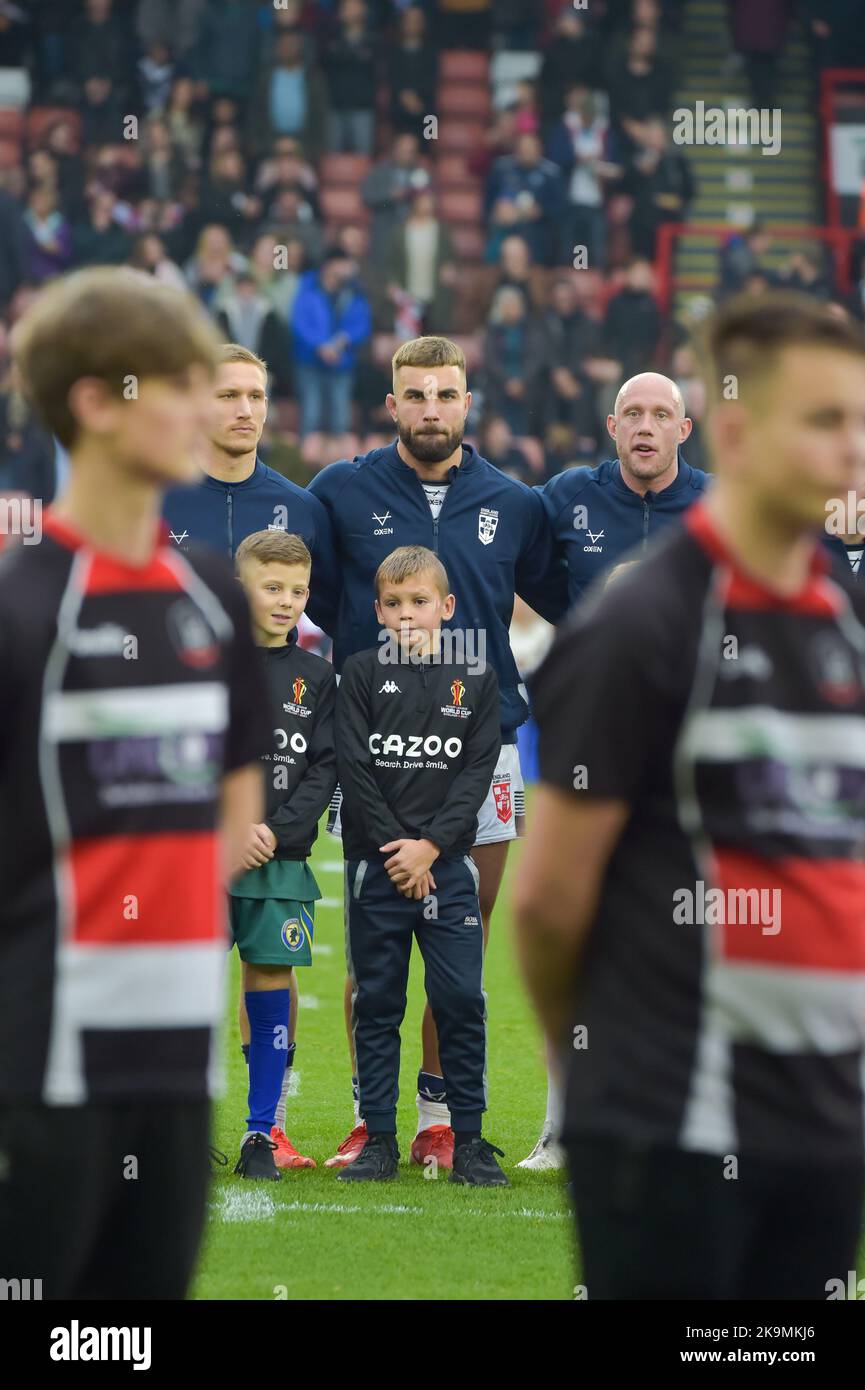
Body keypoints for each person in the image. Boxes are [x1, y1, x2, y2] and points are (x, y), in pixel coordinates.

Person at [515, 290, 865, 1299]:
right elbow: (546, 905)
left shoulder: (836, 616)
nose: (850, 449)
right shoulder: (641, 621)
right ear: (742, 427)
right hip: (668, 1123)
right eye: (822, 419)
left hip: (821, 1121)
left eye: (857, 419)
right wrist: (606, 1079)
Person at [0, 265, 269, 1298]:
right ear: (94, 406)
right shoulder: (26, 606)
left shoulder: (208, 589)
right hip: (43, 1057)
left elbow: (237, 771)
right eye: (177, 383)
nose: (206, 407)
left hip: (179, 1059)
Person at [308, 334, 568, 1170]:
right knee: (373, 940)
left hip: (482, 749)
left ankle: (438, 1116)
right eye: (415, 395)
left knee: (461, 932)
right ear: (392, 405)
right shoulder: (339, 491)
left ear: (467, 403)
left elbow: (560, 597)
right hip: (374, 748)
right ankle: (367, 1115)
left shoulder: (514, 503)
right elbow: (312, 599)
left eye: (445, 395)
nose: (430, 409)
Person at [335, 545, 506, 1186]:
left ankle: (470, 1140)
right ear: (379, 611)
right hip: (378, 868)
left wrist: (431, 847)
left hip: (449, 869)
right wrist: (398, 851)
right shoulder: (357, 673)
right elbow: (355, 770)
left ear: (447, 608)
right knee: (378, 1002)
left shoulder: (479, 679)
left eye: (421, 602)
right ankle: (379, 1137)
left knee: (460, 998)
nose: (408, 614)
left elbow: (474, 775)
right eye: (395, 603)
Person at [230, 530, 337, 1179]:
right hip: (208, 855)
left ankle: (259, 1133)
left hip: (279, 859)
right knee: (182, 984)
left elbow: (323, 768)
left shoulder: (317, 675)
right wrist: (231, 826)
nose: (286, 601)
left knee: (269, 980)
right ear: (240, 585)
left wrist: (275, 830)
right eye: (272, 587)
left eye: (297, 591)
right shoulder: (206, 660)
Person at [162, 343, 338, 636]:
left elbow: (335, 618)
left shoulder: (302, 508)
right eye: (228, 395)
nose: (245, 411)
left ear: (266, 408)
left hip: (273, 681)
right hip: (181, 676)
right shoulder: (156, 502)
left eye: (255, 396)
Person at [540, 371, 709, 609]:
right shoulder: (572, 493)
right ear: (613, 426)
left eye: (661, 415)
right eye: (633, 414)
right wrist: (577, 620)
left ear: (683, 430)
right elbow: (520, 554)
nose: (645, 428)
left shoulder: (717, 503)